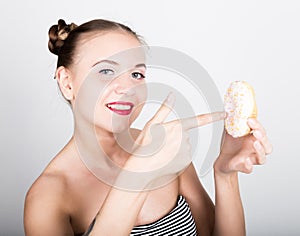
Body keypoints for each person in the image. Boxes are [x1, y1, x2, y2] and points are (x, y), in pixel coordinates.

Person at [23, 19, 272, 236]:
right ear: (67, 83)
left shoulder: (163, 146)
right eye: (106, 70)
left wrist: (225, 175)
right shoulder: (48, 197)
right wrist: (139, 171)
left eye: (137, 75)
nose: (127, 87)